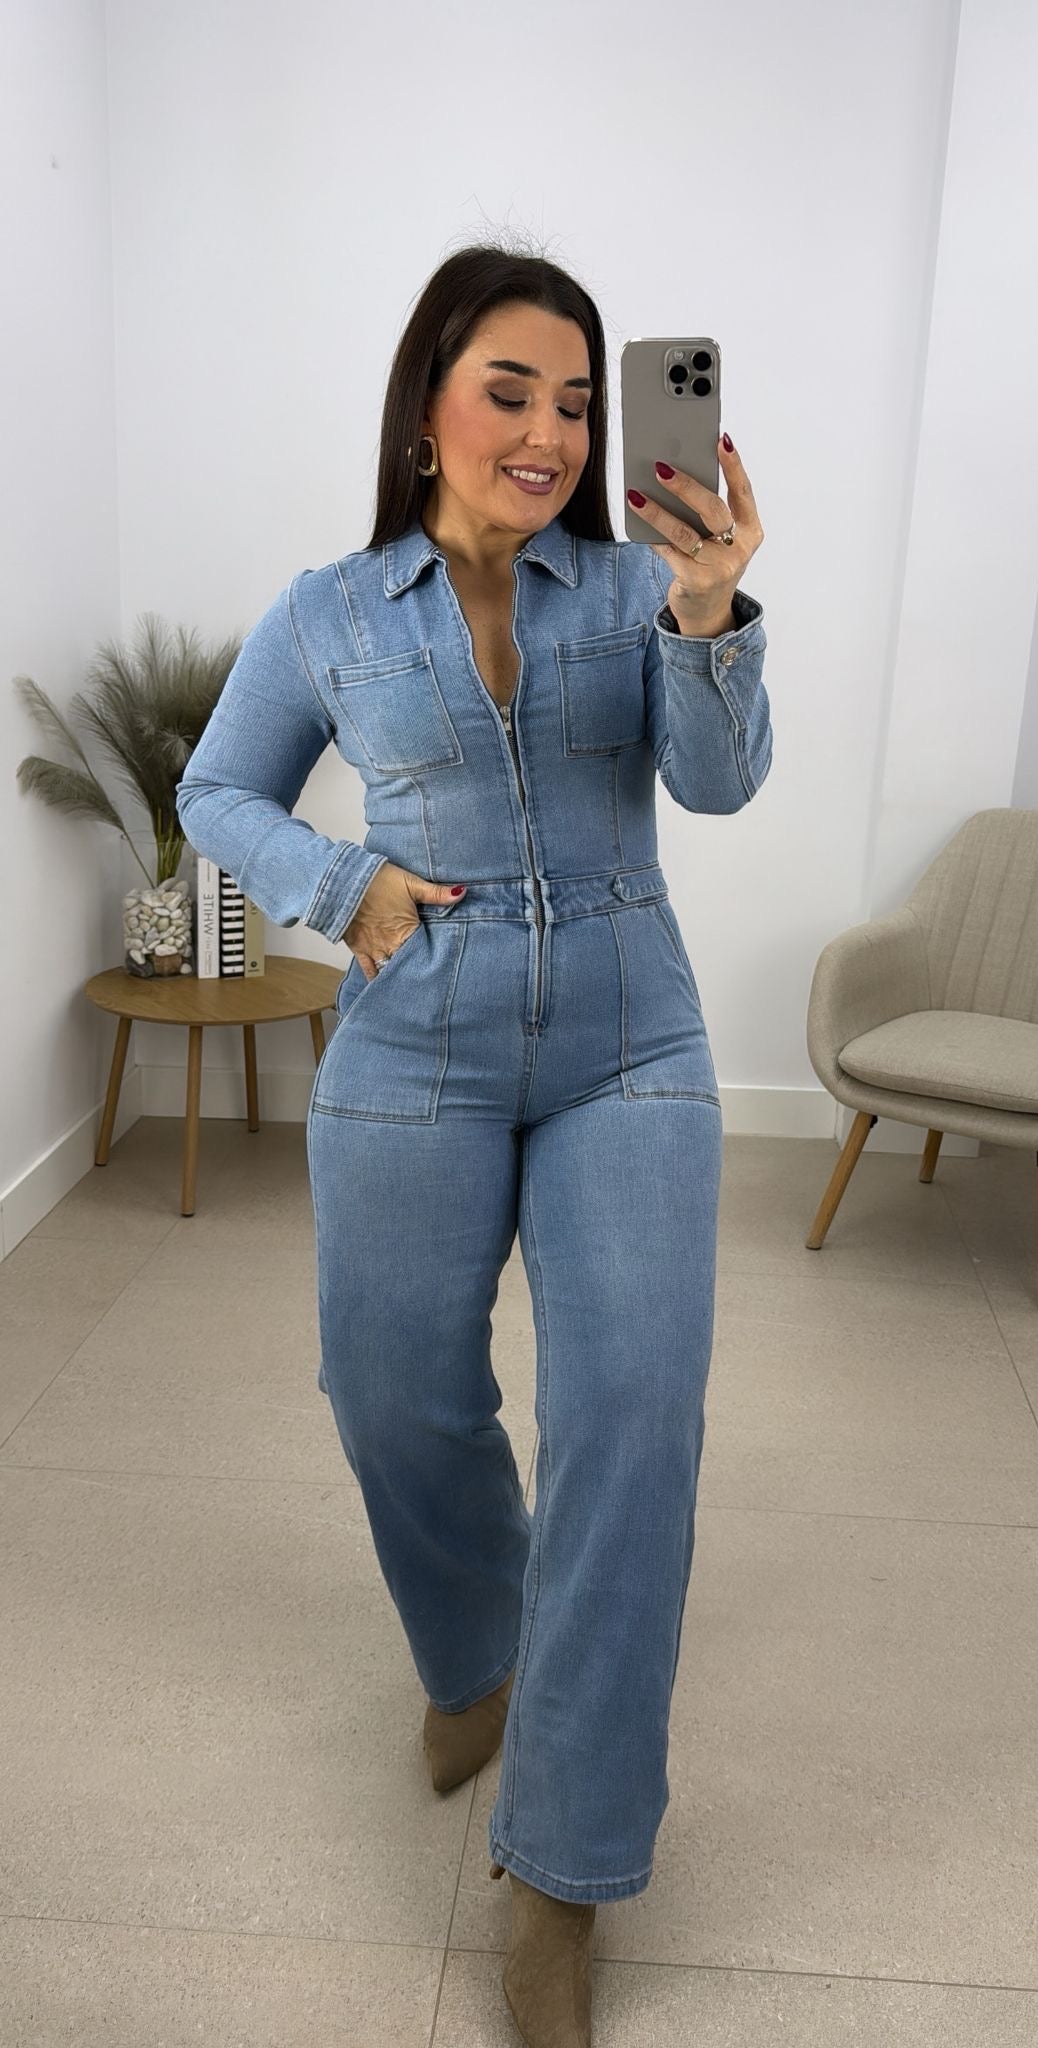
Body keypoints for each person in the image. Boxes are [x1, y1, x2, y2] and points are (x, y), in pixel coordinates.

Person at [174, 241, 771, 2048]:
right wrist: (339, 884)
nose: (551, 434)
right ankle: (476, 1651)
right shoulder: (332, 610)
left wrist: (713, 612)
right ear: (425, 405)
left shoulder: (640, 580)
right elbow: (219, 790)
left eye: (578, 403)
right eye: (510, 393)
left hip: (628, 1035)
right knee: (390, 1393)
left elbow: (720, 783)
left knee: (633, 1417)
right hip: (415, 1031)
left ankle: (564, 1870)